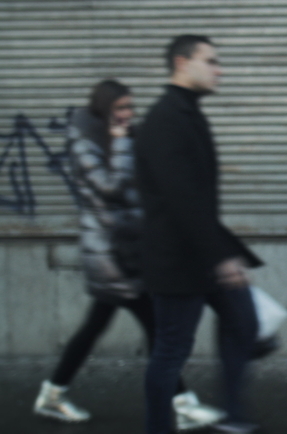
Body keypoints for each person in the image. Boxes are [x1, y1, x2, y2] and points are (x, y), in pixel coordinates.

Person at [33, 78, 225, 431]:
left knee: (101, 326)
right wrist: (122, 145)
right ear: (105, 110)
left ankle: (53, 392)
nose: (128, 114)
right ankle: (181, 403)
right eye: (121, 108)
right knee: (155, 328)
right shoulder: (86, 144)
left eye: (130, 107)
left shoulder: (118, 138)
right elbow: (111, 189)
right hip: (111, 256)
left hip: (126, 251)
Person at [135, 35, 263, 434]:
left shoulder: (185, 112)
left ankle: (233, 412)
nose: (218, 69)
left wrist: (224, 253)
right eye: (210, 61)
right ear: (181, 63)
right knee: (170, 352)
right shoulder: (165, 120)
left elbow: (196, 201)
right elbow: (182, 199)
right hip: (177, 262)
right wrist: (221, 257)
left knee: (243, 323)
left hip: (199, 256)